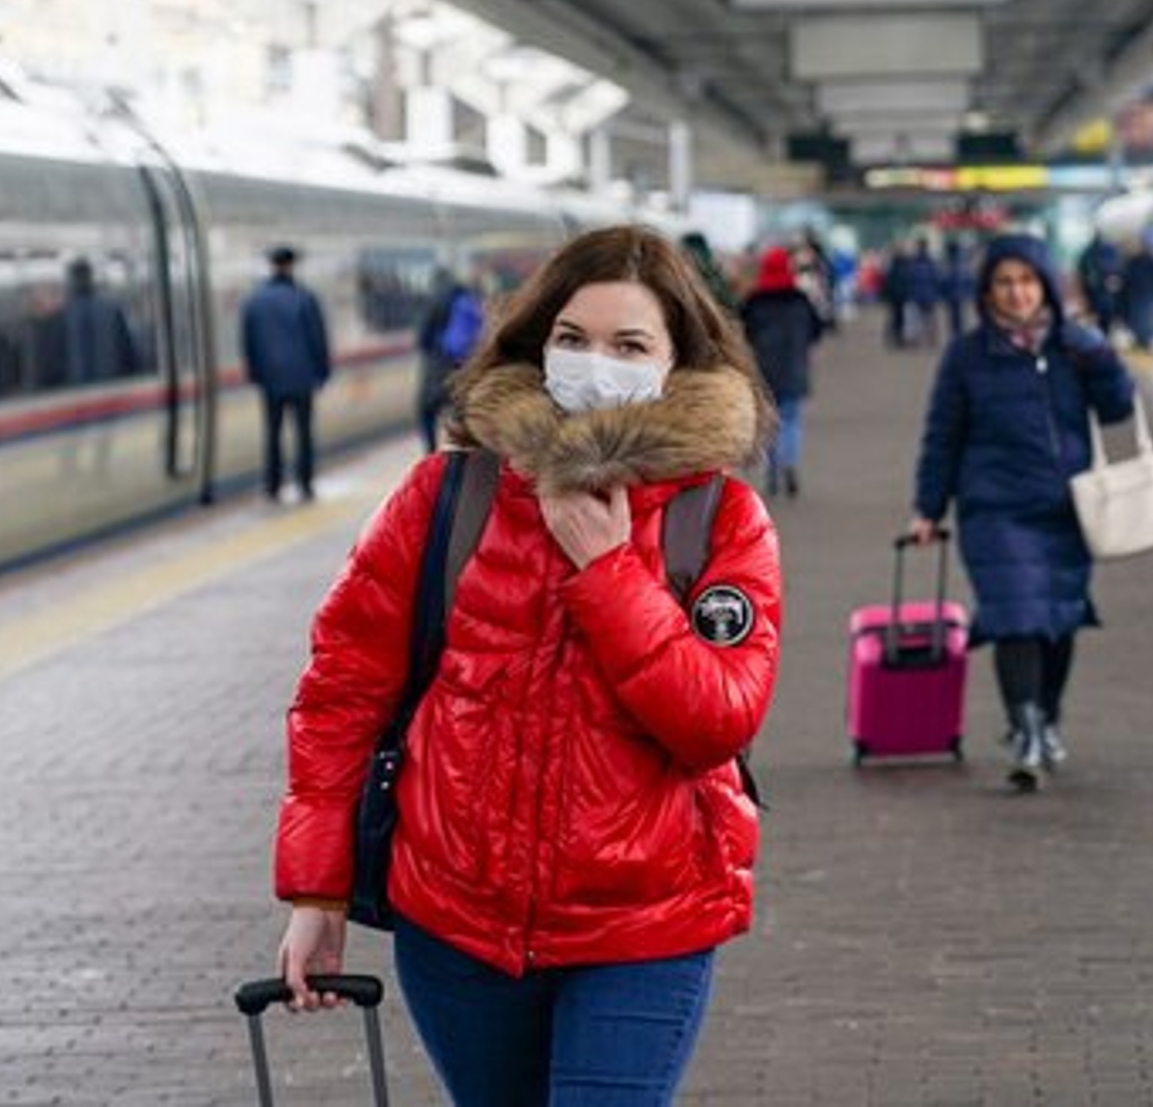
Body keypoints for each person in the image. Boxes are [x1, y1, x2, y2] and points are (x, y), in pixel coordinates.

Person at [273, 224, 782, 1105]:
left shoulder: (721, 519)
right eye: (573, 339)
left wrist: (611, 574)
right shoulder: (448, 496)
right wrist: (316, 891)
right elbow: (342, 692)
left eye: (630, 345)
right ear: (536, 343)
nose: (595, 364)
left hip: (643, 925)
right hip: (456, 923)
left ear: (677, 364)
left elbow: (716, 724)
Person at [907, 233, 1135, 793]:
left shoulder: (1074, 348)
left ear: (1047, 287)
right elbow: (943, 435)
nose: (1017, 293)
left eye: (1027, 281)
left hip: (1066, 508)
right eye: (1005, 283)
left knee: (1058, 620)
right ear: (987, 292)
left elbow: (1117, 410)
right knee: (1016, 616)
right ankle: (1025, 727)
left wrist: (1101, 356)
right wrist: (928, 508)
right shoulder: (966, 355)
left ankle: (1048, 719)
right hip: (995, 510)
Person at [241, 246, 332, 501]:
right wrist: (322, 372)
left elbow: (249, 342)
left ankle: (273, 485)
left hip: (270, 380)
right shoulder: (305, 297)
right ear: (291, 266)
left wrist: (256, 374)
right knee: (303, 433)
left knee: (272, 433)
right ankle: (305, 484)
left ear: (272, 266)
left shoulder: (255, 300)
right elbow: (317, 338)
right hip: (303, 378)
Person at [740, 245, 823, 499]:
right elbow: (817, 330)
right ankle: (789, 463)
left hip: (764, 370)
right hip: (793, 367)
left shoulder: (754, 300)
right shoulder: (800, 299)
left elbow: (745, 332)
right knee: (791, 420)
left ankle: (773, 469)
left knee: (769, 423)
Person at [414, 268, 484, 452]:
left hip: (438, 367)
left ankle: (430, 452)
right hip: (463, 366)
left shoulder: (435, 300)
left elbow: (422, 338)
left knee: (426, 411)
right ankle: (461, 453)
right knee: (460, 412)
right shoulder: (468, 299)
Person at [62, 257, 140, 384]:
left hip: (75, 392)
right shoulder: (112, 309)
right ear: (91, 278)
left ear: (70, 281)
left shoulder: (63, 315)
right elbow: (130, 355)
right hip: (113, 386)